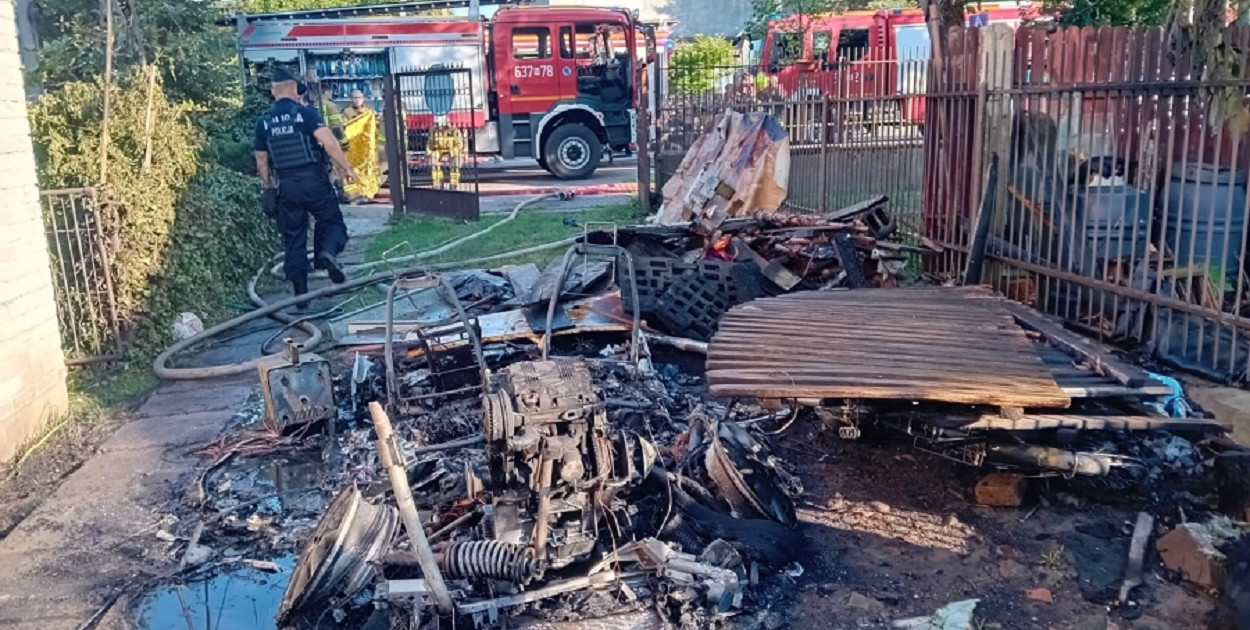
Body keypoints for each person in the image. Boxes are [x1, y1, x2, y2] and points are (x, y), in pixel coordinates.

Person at [254, 67, 358, 307]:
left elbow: (262, 161)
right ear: (293, 89)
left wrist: (269, 186)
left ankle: (301, 294)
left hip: (287, 186)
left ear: (274, 91)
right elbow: (329, 142)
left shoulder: (264, 122)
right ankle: (328, 254)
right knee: (331, 222)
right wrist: (347, 168)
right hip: (314, 181)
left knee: (293, 237)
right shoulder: (306, 115)